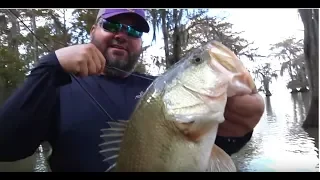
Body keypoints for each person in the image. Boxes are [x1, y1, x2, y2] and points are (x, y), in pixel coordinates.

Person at [0, 9, 265, 172]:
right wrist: (48, 66)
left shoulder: (157, 88)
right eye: (112, 25)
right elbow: (7, 147)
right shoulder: (57, 85)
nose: (122, 34)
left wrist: (237, 133)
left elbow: (204, 153)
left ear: (140, 43)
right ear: (93, 30)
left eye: (133, 30)